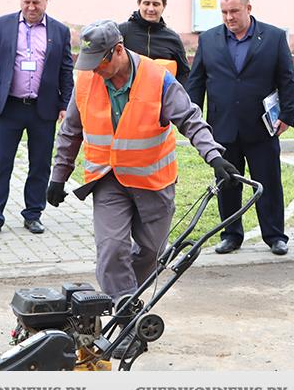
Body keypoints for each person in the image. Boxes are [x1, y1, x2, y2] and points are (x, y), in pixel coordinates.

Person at [47, 20, 238, 305]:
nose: (95, 70)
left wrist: (214, 156)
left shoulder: (157, 79)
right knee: (112, 249)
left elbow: (189, 119)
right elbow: (71, 130)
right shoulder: (87, 79)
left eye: (99, 63)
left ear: (119, 51)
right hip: (107, 178)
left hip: (153, 181)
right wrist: (58, 175)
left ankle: (125, 298)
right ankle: (121, 310)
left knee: (152, 252)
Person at [186, 0, 294, 256]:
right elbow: (197, 81)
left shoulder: (273, 37)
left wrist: (287, 116)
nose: (229, 17)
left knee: (268, 182)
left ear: (248, 8)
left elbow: (286, 79)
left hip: (261, 127)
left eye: (234, 11)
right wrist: (193, 120)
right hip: (222, 127)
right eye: (224, 12)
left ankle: (274, 236)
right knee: (228, 183)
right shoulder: (209, 39)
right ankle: (231, 234)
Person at [0, 0, 74, 238]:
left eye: (36, 2)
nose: (31, 7)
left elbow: (66, 70)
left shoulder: (60, 31)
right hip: (9, 107)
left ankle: (33, 215)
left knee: (40, 165)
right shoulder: (3, 25)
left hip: (43, 109)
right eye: (27, 2)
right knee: (0, 164)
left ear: (46, 1)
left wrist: (66, 104)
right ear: (20, 1)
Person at [118, 0, 190, 85]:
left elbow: (184, 74)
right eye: (146, 3)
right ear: (139, 3)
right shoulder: (122, 32)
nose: (151, 9)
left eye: (156, 4)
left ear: (163, 6)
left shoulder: (173, 38)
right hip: (127, 98)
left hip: (161, 98)